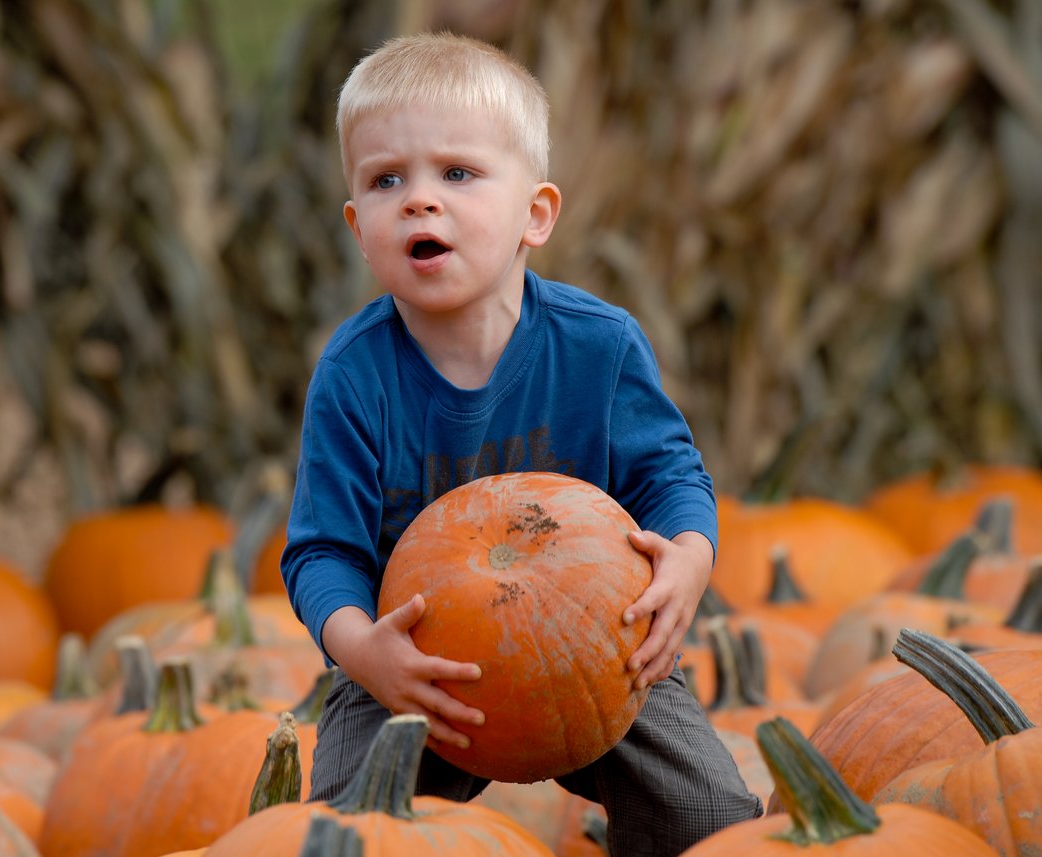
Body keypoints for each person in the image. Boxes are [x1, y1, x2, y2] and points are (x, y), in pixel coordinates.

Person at [280, 31, 763, 854]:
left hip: (601, 648)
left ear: (535, 214)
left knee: (709, 816)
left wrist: (689, 557)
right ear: (360, 228)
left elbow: (671, 475)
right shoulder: (354, 375)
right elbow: (322, 551)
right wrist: (365, 650)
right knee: (348, 834)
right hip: (418, 668)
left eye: (457, 174)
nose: (420, 200)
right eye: (387, 179)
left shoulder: (599, 348)